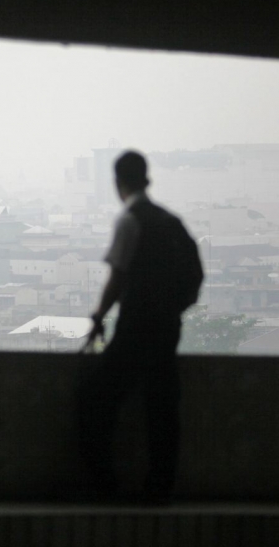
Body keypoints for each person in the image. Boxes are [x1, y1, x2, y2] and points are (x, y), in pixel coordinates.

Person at [77, 149, 203, 504]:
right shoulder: (170, 221)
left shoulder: (130, 220)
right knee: (161, 408)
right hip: (167, 328)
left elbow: (117, 278)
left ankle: (104, 485)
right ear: (146, 178)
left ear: (118, 183)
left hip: (136, 329)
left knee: (95, 398)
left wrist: (99, 317)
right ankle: (158, 489)